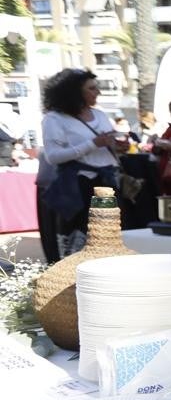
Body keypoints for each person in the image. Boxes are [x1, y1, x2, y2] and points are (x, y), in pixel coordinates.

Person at [39, 69, 127, 258]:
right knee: (79, 238)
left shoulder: (100, 115)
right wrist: (91, 144)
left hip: (107, 184)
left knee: (109, 237)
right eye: (92, 88)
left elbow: (105, 145)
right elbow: (53, 157)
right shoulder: (54, 119)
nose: (98, 92)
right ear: (74, 92)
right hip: (78, 187)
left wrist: (119, 146)